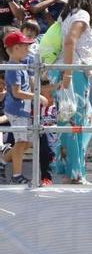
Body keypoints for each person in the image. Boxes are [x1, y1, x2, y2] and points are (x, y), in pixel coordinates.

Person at [53, 0, 92, 185]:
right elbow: (70, 41)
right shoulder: (82, 15)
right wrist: (69, 76)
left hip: (65, 71)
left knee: (68, 121)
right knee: (79, 123)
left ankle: (67, 169)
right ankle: (76, 173)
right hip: (75, 73)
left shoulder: (67, 13)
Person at [3, 31, 43, 185]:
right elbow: (17, 92)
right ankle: (16, 175)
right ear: (16, 48)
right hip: (17, 111)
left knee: (28, 142)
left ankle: (3, 159)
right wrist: (37, 96)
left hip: (22, 111)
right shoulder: (14, 67)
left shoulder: (21, 64)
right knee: (21, 142)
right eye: (25, 46)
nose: (28, 49)